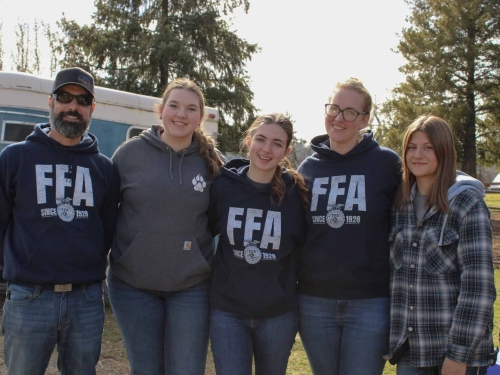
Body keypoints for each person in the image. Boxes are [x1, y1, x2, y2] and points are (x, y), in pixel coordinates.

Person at [0, 67, 120, 375]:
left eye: (82, 101)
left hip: (86, 299)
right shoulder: (15, 158)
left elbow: (105, 232)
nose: (73, 107)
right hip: (29, 298)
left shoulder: (104, 168)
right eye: (65, 97)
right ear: (51, 102)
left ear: (92, 109)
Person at [107, 78, 225, 375]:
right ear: (160, 110)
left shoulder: (213, 164)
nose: (181, 115)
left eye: (191, 109)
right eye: (173, 106)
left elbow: (220, 220)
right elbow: (106, 214)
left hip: (191, 287)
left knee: (186, 369)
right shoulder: (128, 155)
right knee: (146, 369)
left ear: (201, 117)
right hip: (132, 286)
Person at [297, 78, 401, 375]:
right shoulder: (308, 169)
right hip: (315, 302)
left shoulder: (386, 164)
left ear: (365, 119)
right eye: (334, 108)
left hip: (370, 304)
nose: (338, 118)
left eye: (350, 112)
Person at [385, 115, 497, 375]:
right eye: (411, 147)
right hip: (412, 348)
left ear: (444, 151)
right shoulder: (401, 206)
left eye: (428, 147)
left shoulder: (467, 204)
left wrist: (458, 354)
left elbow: (478, 288)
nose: (418, 155)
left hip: (456, 353)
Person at [208, 113, 308, 375]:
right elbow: (202, 234)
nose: (266, 149)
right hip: (228, 313)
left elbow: (304, 249)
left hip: (278, 315)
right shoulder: (223, 186)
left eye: (277, 143)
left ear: (286, 150)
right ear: (249, 141)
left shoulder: (297, 194)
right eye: (261, 139)